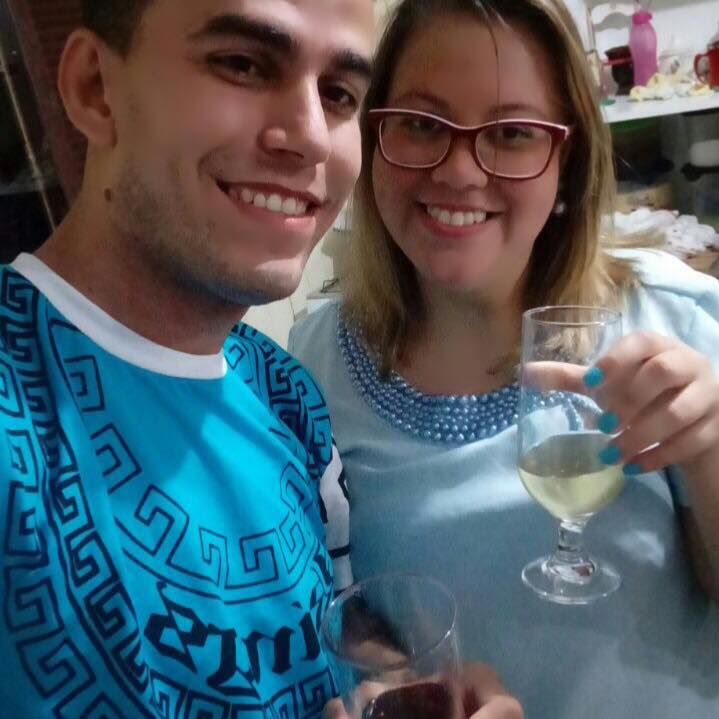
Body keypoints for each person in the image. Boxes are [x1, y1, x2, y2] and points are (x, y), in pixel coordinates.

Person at [289, 1, 719, 717]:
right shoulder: (311, 366)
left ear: (566, 161)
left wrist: (708, 454)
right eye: (422, 124)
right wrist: (398, 682)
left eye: (513, 133)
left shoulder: (672, 319)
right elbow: (342, 601)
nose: (460, 172)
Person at [0, 0, 375, 716]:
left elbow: (325, 640)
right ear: (94, 89)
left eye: (339, 95)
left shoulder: (286, 391)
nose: (310, 137)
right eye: (242, 63)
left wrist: (406, 690)